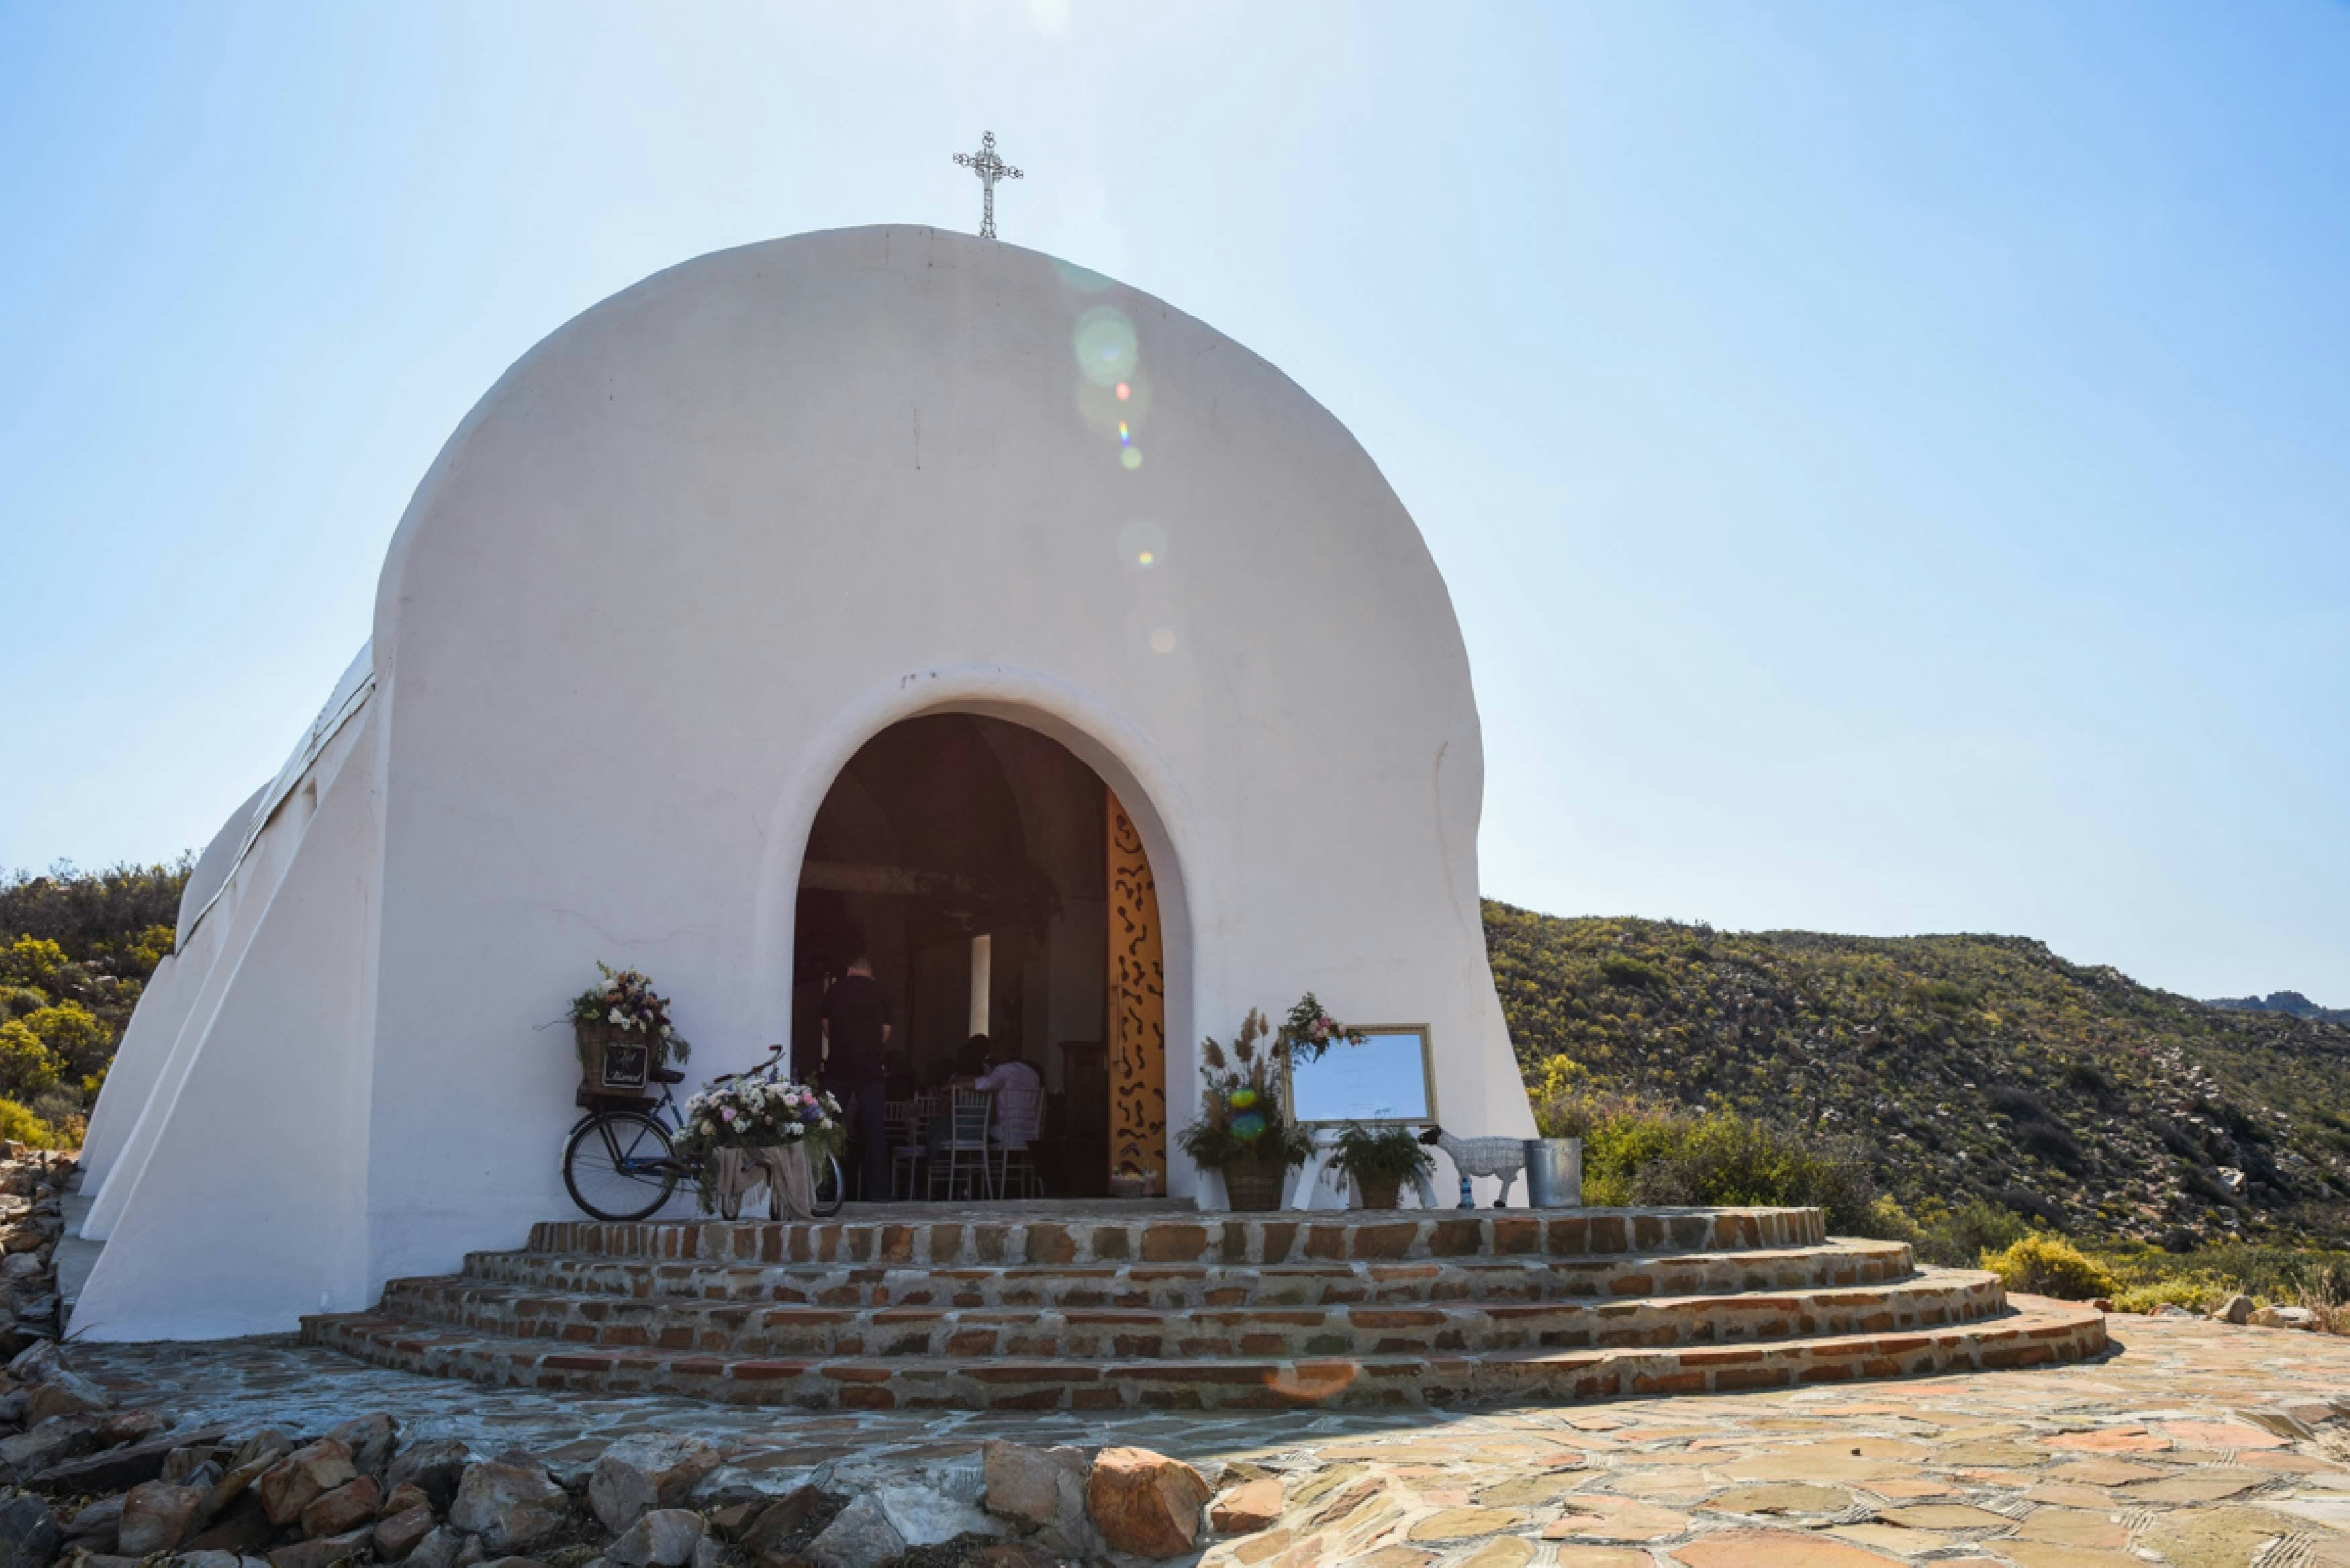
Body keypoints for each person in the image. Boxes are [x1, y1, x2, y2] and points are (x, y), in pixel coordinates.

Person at [818, 956, 892, 1202]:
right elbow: (885, 1032)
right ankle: (878, 1192)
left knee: (829, 1127)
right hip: (870, 1070)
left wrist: (843, 1042)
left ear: (849, 970)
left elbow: (826, 1027)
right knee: (875, 1131)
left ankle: (826, 1188)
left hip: (839, 1067)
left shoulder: (834, 990)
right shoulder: (881, 991)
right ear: (870, 972)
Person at [974, 1040, 1043, 1148]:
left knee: (977, 1129)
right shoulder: (1032, 1073)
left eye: (996, 1051)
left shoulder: (1003, 1070)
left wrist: (959, 1082)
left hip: (1008, 1133)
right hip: (1032, 1133)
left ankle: (984, 1160)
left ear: (1002, 1053)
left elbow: (983, 1085)